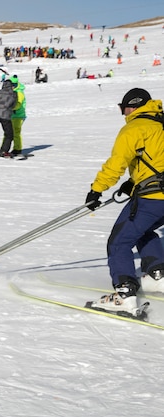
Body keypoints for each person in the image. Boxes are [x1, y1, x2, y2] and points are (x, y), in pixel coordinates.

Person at [84, 88, 164, 315]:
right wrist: (133, 182)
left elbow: (116, 163)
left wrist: (96, 190)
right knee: (143, 231)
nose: (123, 113)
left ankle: (125, 294)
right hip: (158, 195)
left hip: (152, 199)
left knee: (119, 242)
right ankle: (157, 276)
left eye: (123, 108)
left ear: (133, 106)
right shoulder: (160, 124)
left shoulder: (135, 128)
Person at [7, 75, 26, 155]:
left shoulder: (19, 93)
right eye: (11, 85)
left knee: (16, 133)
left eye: (14, 85)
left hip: (18, 116)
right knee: (8, 133)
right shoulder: (10, 92)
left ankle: (17, 149)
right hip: (11, 116)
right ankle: (5, 148)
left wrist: (11, 108)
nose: (12, 87)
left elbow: (18, 104)